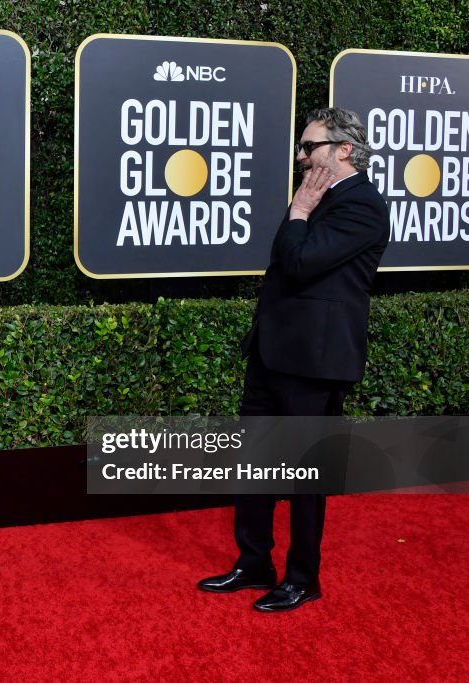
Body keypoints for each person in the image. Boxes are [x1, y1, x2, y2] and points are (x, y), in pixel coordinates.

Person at [197, 108, 390, 612]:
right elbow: (284, 261)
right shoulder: (318, 198)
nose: (301, 156)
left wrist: (300, 211)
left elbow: (300, 263)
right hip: (271, 353)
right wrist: (302, 211)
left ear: (343, 150)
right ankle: (253, 561)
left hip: (314, 361)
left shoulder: (362, 205)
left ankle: (303, 577)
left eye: (310, 146)